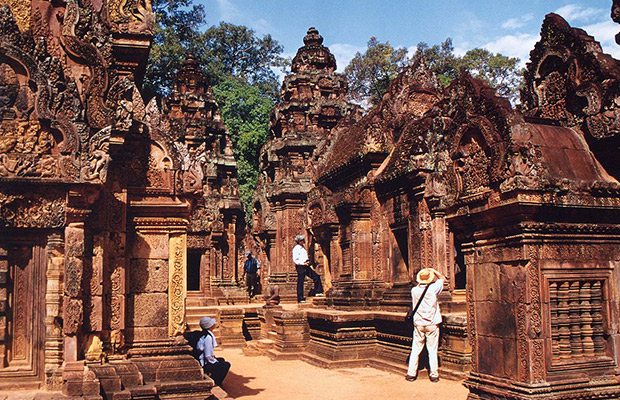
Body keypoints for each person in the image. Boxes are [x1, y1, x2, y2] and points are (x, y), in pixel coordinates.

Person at [406, 267, 445, 383]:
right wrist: (433, 270)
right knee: (432, 350)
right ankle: (434, 375)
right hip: (432, 322)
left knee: (416, 349)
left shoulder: (414, 290)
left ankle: (411, 374)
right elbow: (443, 278)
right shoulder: (433, 288)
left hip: (419, 323)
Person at [197, 317, 230, 387]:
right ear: (210, 326)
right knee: (226, 365)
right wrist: (215, 362)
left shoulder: (204, 335)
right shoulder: (208, 338)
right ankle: (217, 382)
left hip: (203, 360)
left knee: (222, 360)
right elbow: (208, 356)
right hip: (204, 363)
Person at [292, 234, 324, 303]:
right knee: (301, 282)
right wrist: (303, 263)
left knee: (316, 276)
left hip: (306, 265)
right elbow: (295, 260)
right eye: (302, 240)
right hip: (301, 266)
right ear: (299, 241)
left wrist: (307, 261)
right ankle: (300, 298)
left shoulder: (303, 247)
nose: (304, 241)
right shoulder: (296, 249)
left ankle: (318, 291)